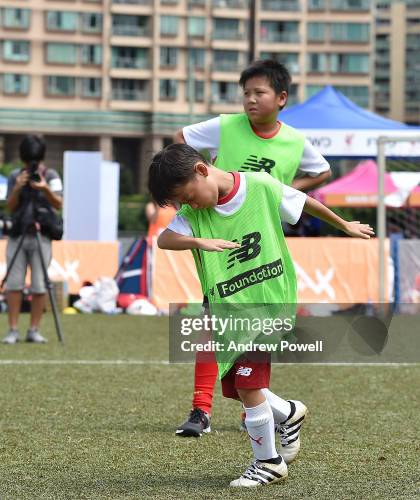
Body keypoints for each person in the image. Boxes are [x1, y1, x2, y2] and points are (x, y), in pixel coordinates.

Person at [148, 143, 372, 487]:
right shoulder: (194, 216)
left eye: (189, 196)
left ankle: (268, 462)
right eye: (183, 202)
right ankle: (289, 413)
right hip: (229, 308)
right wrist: (199, 243)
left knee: (250, 386)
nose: (189, 205)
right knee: (234, 387)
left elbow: (302, 201)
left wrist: (343, 225)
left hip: (268, 300)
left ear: (201, 170)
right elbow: (165, 239)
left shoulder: (260, 185)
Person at [172, 59, 332, 438]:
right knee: (213, 323)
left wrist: (283, 195)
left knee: (258, 326)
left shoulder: (294, 140)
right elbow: (181, 138)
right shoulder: (225, 126)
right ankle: (200, 409)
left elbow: (322, 170)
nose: (250, 100)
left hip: (265, 241)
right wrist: (203, 175)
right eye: (245, 93)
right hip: (220, 238)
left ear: (281, 98)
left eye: (259, 92)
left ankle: (254, 407)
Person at [2, 135, 63, 344]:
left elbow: (59, 203)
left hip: (42, 235)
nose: (31, 165)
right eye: (28, 161)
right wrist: (18, 187)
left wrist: (44, 188)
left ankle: (34, 329)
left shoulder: (51, 175)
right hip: (18, 233)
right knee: (14, 284)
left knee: (39, 285)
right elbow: (9, 206)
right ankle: (13, 330)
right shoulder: (14, 176)